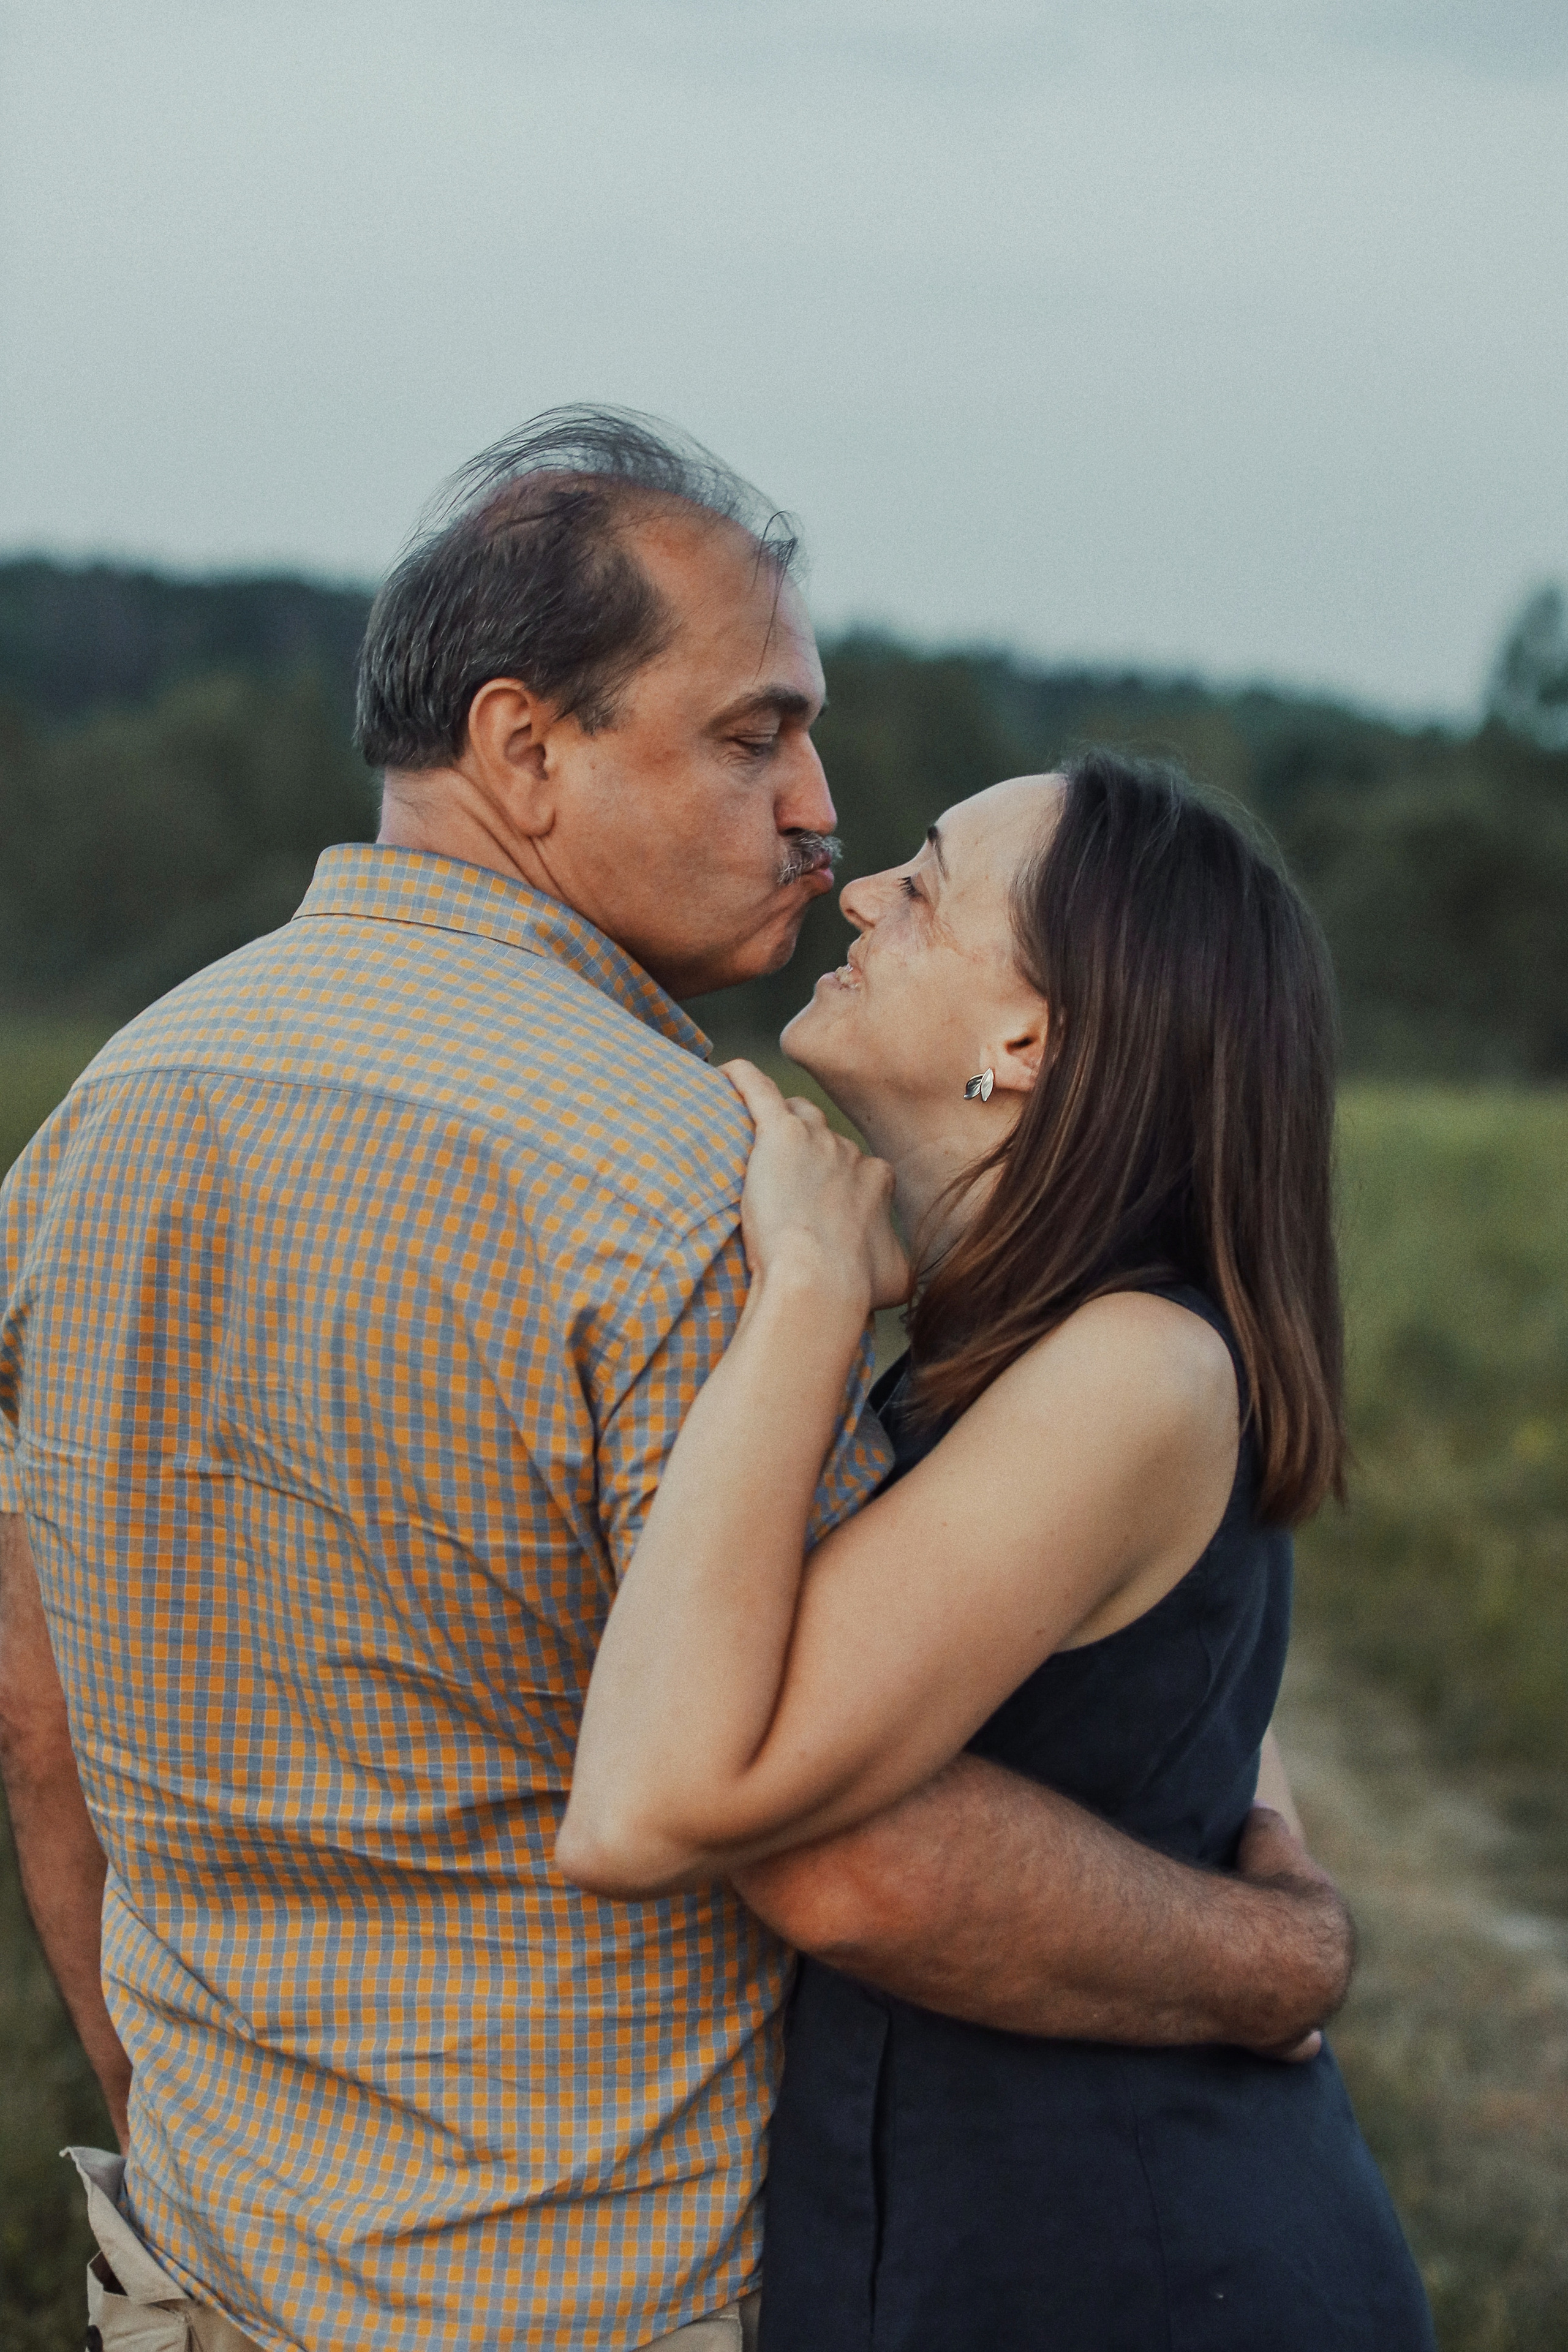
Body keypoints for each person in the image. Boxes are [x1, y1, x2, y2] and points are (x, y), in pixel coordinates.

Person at [0, 410, 1350, 2352]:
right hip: (592, 2284)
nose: (822, 816)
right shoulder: (689, 1182)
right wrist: (1273, 1959)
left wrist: (182, 2167)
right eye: (752, 735)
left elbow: (42, 1729)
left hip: (206, 2259)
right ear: (524, 748)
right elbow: (848, 1854)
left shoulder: (102, 1106)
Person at [561, 756, 1436, 2348]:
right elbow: (1199, 1723)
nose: (859, 890)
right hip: (980, 2242)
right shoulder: (1034, 1353)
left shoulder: (1131, 1365)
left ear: (1024, 1044)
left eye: (928, 880)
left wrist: (814, 1289)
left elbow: (647, 1802)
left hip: (1135, 2267)